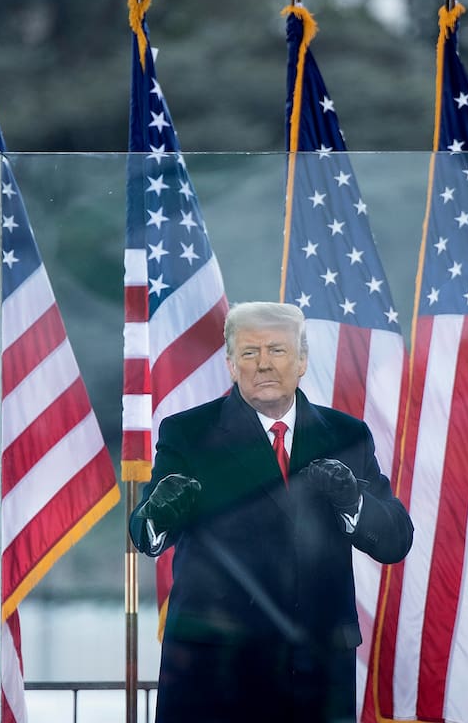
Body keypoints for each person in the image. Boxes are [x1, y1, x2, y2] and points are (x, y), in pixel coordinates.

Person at [129, 301, 414, 723]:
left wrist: (353, 502)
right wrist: (159, 513)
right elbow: (147, 533)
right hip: (215, 673)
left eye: (277, 351)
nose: (263, 364)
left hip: (316, 671)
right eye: (249, 352)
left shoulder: (346, 435)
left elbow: (395, 540)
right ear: (230, 364)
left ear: (301, 362)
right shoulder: (188, 433)